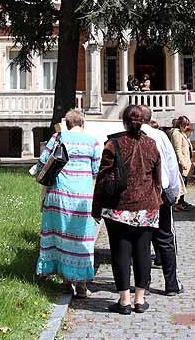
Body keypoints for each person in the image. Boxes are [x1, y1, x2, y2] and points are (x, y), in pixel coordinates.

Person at [93, 104, 161, 315]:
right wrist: (156, 199)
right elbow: (158, 177)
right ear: (144, 122)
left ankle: (124, 301)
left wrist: (96, 207)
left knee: (120, 253)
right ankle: (140, 299)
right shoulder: (151, 144)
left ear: (123, 121)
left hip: (118, 208)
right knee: (142, 252)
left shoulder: (113, 144)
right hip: (146, 207)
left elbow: (103, 179)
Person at [35, 109, 102, 298]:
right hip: (83, 197)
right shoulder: (93, 141)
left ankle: (65, 282)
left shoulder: (59, 137)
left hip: (59, 194)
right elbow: (97, 170)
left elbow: (42, 162)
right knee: (82, 239)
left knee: (61, 236)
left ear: (68, 124)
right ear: (83, 123)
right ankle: (81, 284)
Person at [139, 106, 185, 296]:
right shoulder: (160, 136)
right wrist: (175, 190)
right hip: (161, 192)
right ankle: (171, 284)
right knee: (165, 238)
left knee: (141, 240)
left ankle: (144, 285)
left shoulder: (129, 136)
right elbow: (172, 164)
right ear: (150, 119)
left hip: (139, 194)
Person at [169, 115, 195, 209]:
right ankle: (178, 203)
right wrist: (182, 162)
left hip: (186, 161)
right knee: (180, 183)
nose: (186, 127)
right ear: (180, 125)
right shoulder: (176, 134)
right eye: (185, 125)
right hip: (181, 163)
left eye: (187, 125)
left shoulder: (182, 133)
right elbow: (178, 150)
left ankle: (182, 201)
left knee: (184, 182)